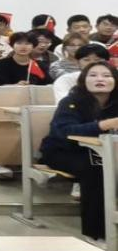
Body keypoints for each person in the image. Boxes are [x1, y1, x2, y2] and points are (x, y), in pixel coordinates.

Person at [39, 61, 118, 240]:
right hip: (64, 151)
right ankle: (96, 234)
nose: (100, 79)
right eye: (93, 75)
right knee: (97, 170)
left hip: (106, 152)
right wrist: (104, 125)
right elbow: (64, 132)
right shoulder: (71, 102)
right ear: (84, 80)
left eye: (106, 76)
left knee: (104, 165)